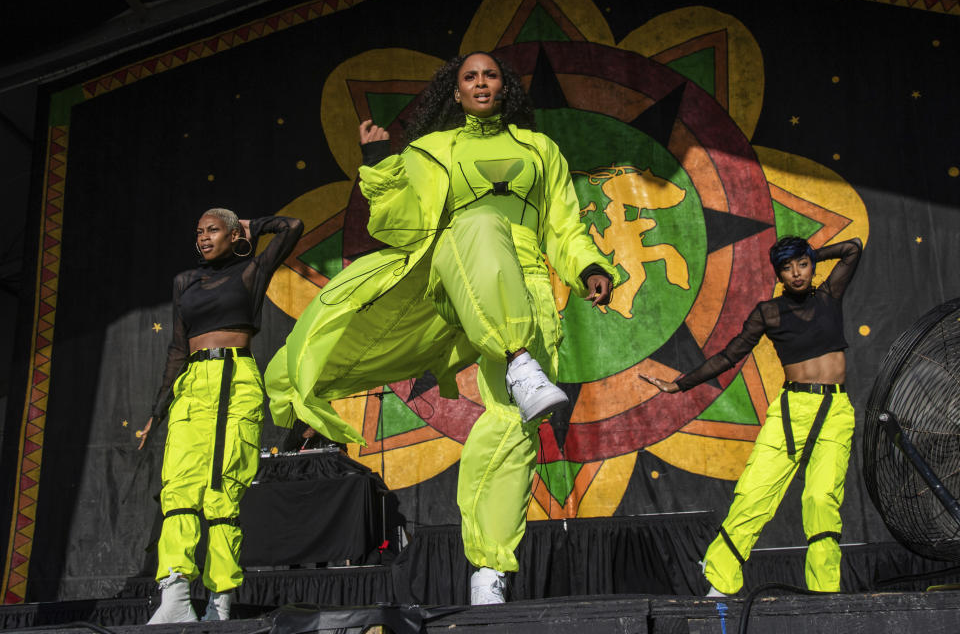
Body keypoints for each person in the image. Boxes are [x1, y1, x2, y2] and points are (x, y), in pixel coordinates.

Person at [264, 51, 617, 604]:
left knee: (512, 423)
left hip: (524, 279)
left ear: (505, 87)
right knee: (477, 222)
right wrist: (381, 164)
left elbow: (564, 226)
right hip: (455, 270)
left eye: (490, 75)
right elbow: (402, 223)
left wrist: (589, 266)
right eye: (469, 76)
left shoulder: (540, 150)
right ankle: (518, 357)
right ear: (454, 93)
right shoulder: (432, 150)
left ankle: (489, 570)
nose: (480, 82)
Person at [642, 235, 862, 596]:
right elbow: (729, 356)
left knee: (822, 499)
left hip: (836, 410)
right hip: (793, 410)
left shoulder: (829, 296)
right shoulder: (769, 312)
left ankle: (826, 590)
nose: (796, 274)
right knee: (756, 493)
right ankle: (720, 575)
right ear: (778, 274)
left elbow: (852, 247)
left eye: (802, 265)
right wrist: (680, 385)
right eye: (787, 268)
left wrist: (809, 253)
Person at [138, 208, 302, 622]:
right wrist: (157, 411)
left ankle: (220, 599)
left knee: (221, 490)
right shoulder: (184, 282)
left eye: (213, 230)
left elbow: (292, 228)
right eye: (199, 232)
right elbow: (178, 349)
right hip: (191, 384)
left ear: (232, 234)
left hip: (237, 378)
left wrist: (253, 225)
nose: (204, 238)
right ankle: (174, 594)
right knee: (179, 488)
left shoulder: (251, 272)